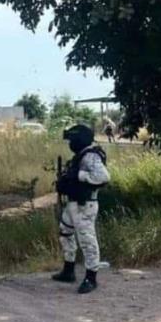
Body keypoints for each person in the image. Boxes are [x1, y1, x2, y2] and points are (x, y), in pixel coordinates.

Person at [52, 124, 110, 294]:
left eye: (72, 139)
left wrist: (79, 176)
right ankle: (68, 270)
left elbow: (103, 177)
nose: (70, 143)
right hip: (74, 204)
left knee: (87, 240)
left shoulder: (91, 155)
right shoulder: (82, 155)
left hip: (85, 205)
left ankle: (91, 278)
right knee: (65, 232)